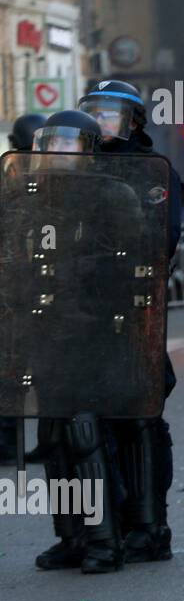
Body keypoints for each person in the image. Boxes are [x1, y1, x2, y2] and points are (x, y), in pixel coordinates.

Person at [19, 110, 163, 573]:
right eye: (50, 144)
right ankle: (71, 536)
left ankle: (104, 538)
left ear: (89, 150)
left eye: (68, 144)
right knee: (54, 437)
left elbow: (130, 261)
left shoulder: (112, 194)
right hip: (45, 331)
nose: (56, 153)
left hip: (96, 331)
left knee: (85, 432)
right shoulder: (28, 198)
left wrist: (80, 276)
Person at [77, 81, 184, 564]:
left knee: (140, 418)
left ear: (134, 121)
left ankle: (148, 527)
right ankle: (89, 530)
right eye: (93, 112)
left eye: (110, 113)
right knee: (78, 422)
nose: (101, 122)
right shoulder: (73, 172)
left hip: (133, 310)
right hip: (75, 315)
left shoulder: (152, 172)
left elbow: (161, 240)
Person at [0, 113, 45, 464]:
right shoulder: (9, 184)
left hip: (40, 285)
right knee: (13, 369)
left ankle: (19, 443)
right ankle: (9, 444)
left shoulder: (54, 182)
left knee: (33, 369)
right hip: (16, 287)